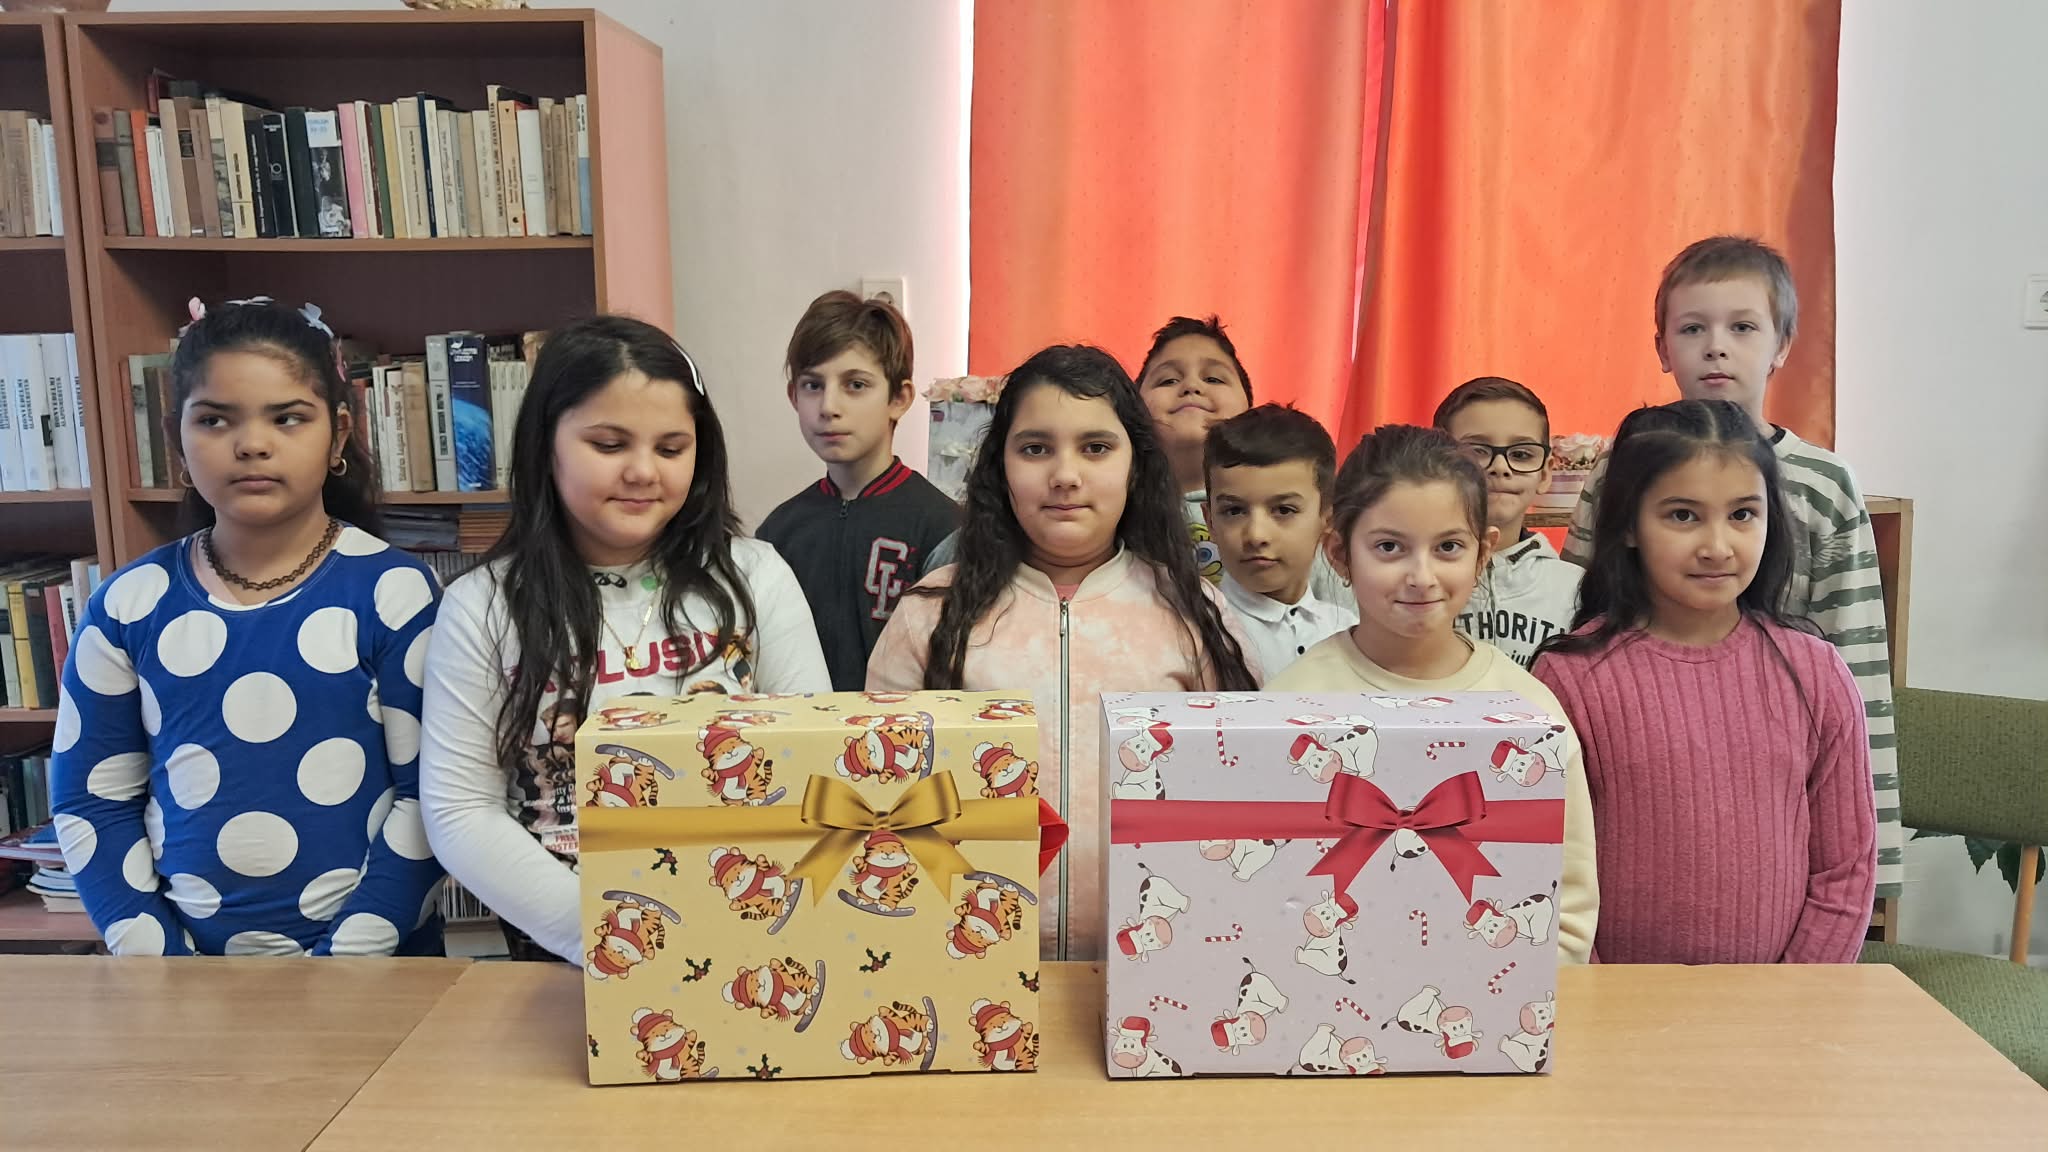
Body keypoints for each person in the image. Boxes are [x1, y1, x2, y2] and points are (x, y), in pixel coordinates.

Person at [420, 315, 830, 963]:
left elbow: (813, 763)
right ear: (545, 445)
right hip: (567, 946)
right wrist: (608, 940)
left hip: (746, 926)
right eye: (609, 445)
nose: (643, 471)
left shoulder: (757, 577)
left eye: (671, 449)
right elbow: (460, 811)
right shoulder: (483, 605)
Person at [50, 297, 444, 956]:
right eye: (215, 420)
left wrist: (345, 968)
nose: (253, 444)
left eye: (288, 418)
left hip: (379, 978)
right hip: (182, 984)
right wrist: (164, 968)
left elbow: (430, 797)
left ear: (338, 435)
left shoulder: (396, 595)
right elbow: (93, 802)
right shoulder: (127, 605)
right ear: (177, 440)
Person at [866, 344, 1257, 961]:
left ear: (1135, 466)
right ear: (1000, 466)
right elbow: (879, 801)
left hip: (1157, 961)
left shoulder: (1196, 614)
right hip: (966, 959)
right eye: (1035, 448)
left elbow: (1242, 805)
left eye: (1096, 448)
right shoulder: (928, 615)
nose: (1065, 475)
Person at [1561, 236, 1901, 902]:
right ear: (1663, 348)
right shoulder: (1617, 471)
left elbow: (1856, 669)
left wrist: (1873, 867)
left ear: (1781, 345)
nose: (1716, 348)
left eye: (1742, 327)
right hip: (1639, 779)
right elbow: (1576, 613)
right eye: (1693, 329)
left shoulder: (1826, 484)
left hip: (1770, 793)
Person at [1534, 399, 1875, 962]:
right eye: (1683, 516)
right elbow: (1548, 872)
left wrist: (1797, 993)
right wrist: (1598, 994)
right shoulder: (1570, 679)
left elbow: (1847, 870)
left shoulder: (1816, 674)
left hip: (1781, 1004)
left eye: (1743, 514)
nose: (1717, 547)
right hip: (1613, 1003)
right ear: (1628, 525)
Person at [1268, 424, 1597, 963]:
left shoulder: (1528, 709)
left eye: (1448, 547)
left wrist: (1520, 990)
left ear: (1483, 553)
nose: (1421, 576)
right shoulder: (1290, 704)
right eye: (1389, 547)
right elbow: (1267, 887)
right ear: (1339, 553)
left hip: (1498, 999)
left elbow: (1570, 902)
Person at [756, 291, 957, 689]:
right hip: (799, 725)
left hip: (908, 725)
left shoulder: (943, 528)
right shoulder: (777, 534)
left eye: (855, 385)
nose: (829, 406)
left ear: (899, 398)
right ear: (794, 396)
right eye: (813, 385)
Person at [1434, 376, 1582, 668]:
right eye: (1476, 451)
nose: (1501, 467)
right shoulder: (1409, 580)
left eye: (1521, 454)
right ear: (1437, 462)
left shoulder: (1578, 590)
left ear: (1545, 473)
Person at [1204, 404, 1356, 678]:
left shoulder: (1351, 632)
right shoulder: (1197, 634)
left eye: (1284, 510)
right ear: (1210, 520)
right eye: (1234, 511)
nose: (1256, 535)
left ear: (1328, 518)